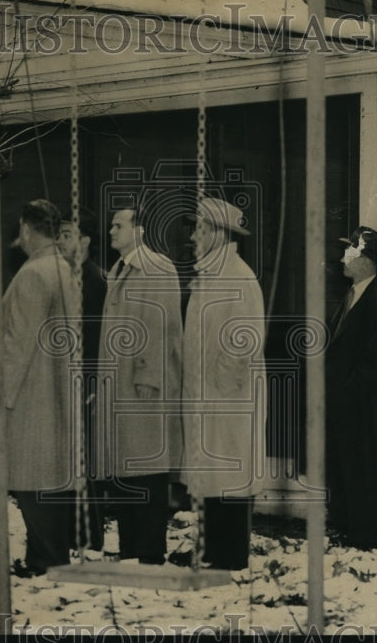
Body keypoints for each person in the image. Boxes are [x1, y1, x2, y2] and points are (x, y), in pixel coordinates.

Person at [0, 199, 78, 577]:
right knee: (48, 482)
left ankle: (47, 558)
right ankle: (47, 555)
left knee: (29, 482)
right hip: (55, 390)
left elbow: (18, 342)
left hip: (30, 394)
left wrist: (0, 396)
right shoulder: (62, 268)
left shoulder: (32, 274)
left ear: (26, 229)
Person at [182, 197, 265, 570]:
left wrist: (220, 384)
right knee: (211, 475)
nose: (192, 236)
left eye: (200, 228)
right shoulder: (212, 273)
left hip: (228, 400)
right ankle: (212, 548)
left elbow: (245, 339)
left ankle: (230, 554)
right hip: (209, 398)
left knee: (229, 473)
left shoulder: (238, 276)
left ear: (219, 234)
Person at [97, 205, 182, 565]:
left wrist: (148, 375)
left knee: (146, 469)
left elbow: (159, 325)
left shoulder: (156, 267)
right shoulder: (121, 270)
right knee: (128, 468)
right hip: (122, 386)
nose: (111, 231)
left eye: (119, 225)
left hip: (144, 387)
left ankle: (148, 550)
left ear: (141, 229)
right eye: (111, 225)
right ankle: (134, 546)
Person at [324, 226, 377, 551]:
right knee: (343, 468)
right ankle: (344, 528)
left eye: (351, 252)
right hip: (345, 407)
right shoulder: (350, 296)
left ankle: (366, 538)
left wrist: (344, 391)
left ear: (368, 261)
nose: (344, 257)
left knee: (365, 471)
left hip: (366, 410)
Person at [57, 209, 107, 552]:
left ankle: (89, 537)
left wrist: (90, 385)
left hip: (84, 384)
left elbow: (96, 338)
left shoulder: (94, 281)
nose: (60, 241)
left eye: (66, 234)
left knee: (82, 460)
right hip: (66, 382)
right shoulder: (63, 276)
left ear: (84, 241)